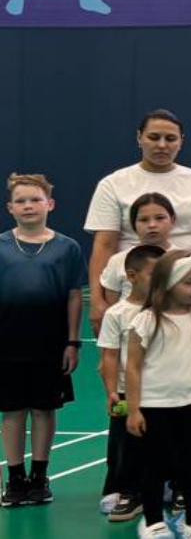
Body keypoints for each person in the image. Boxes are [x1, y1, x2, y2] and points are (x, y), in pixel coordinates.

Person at [86, 110, 191, 335]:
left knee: (184, 350)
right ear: (139, 137)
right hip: (132, 291)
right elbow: (104, 245)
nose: (162, 145)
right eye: (154, 137)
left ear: (181, 141)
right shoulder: (113, 184)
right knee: (129, 352)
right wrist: (96, 300)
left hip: (185, 288)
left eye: (170, 138)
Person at [126, 251, 191, 539]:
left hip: (189, 404)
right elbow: (132, 366)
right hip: (153, 406)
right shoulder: (146, 320)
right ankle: (153, 523)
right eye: (189, 282)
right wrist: (134, 409)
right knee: (153, 467)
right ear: (167, 283)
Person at [0, 173, 85, 508]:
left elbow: (74, 296)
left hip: (50, 344)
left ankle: (39, 477)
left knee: (43, 410)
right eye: (20, 201)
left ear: (50, 204)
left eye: (35, 199)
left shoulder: (68, 248)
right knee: (12, 412)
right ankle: (15, 478)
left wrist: (73, 342)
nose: (28, 206)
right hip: (7, 345)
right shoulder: (1, 245)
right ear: (10, 208)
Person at [97, 244, 163, 521]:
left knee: (165, 442)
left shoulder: (168, 310)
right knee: (126, 445)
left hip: (161, 391)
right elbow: (109, 356)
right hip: (127, 391)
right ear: (132, 276)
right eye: (153, 274)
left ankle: (167, 485)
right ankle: (126, 491)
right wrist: (111, 391)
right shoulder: (117, 314)